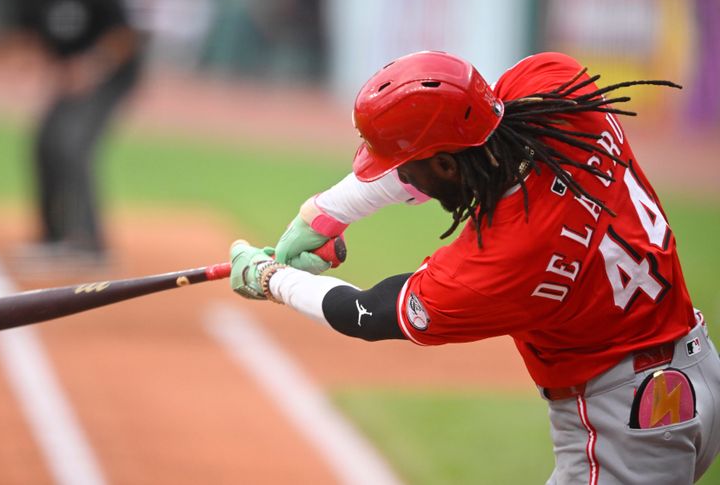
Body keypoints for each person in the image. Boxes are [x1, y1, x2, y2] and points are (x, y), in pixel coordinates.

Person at [229, 50, 720, 483]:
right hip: (695, 368)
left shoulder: (504, 260)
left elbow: (367, 313)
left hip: (623, 425)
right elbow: (464, 135)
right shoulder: (556, 86)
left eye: (403, 166)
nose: (397, 175)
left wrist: (272, 279)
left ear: (444, 167)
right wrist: (326, 215)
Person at [10, 0, 144, 264]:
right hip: (68, 77)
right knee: (44, 143)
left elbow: (125, 34)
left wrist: (92, 66)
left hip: (111, 76)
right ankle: (52, 236)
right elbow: (28, 35)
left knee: (72, 144)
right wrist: (31, 66)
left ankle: (90, 242)